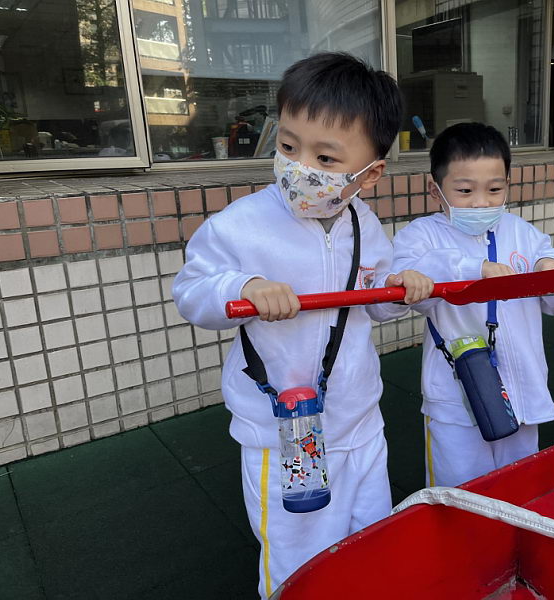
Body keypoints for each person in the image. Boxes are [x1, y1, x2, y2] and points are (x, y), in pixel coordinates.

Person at [172, 52, 433, 598]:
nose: (300, 167)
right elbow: (193, 292)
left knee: (368, 535)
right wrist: (242, 287)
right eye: (289, 147)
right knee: (298, 554)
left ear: (370, 174)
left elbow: (373, 302)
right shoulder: (241, 224)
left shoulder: (364, 223)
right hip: (281, 431)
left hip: (359, 422)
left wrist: (399, 290)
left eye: (325, 157)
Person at [391, 122, 554, 489]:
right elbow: (405, 273)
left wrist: (551, 266)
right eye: (464, 190)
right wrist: (474, 269)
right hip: (457, 397)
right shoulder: (421, 235)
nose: (481, 202)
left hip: (522, 391)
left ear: (508, 184)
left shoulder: (520, 231)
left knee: (520, 485)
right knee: (459, 490)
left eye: (494, 189)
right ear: (435, 189)